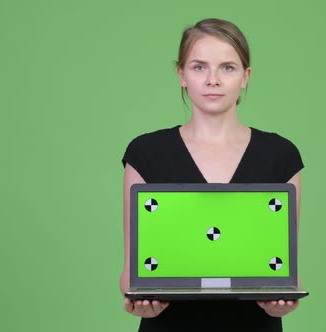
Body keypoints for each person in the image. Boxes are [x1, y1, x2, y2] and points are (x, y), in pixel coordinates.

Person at [120, 18, 304, 332]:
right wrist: (139, 302)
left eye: (228, 67)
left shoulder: (281, 156)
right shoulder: (145, 153)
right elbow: (132, 273)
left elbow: (285, 270)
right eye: (199, 67)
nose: (213, 80)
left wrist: (281, 301)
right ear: (181, 74)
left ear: (246, 77)